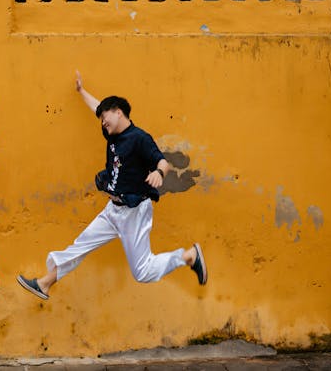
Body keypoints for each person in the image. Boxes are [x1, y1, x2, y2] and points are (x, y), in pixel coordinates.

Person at [17, 71, 207, 300]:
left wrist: (158, 173)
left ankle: (188, 257)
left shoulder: (139, 138)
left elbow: (162, 161)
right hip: (113, 210)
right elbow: (99, 108)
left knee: (143, 272)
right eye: (101, 120)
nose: (103, 122)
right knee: (81, 245)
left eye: (105, 117)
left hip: (134, 211)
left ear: (119, 112)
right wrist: (81, 91)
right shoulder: (113, 135)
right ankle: (44, 284)